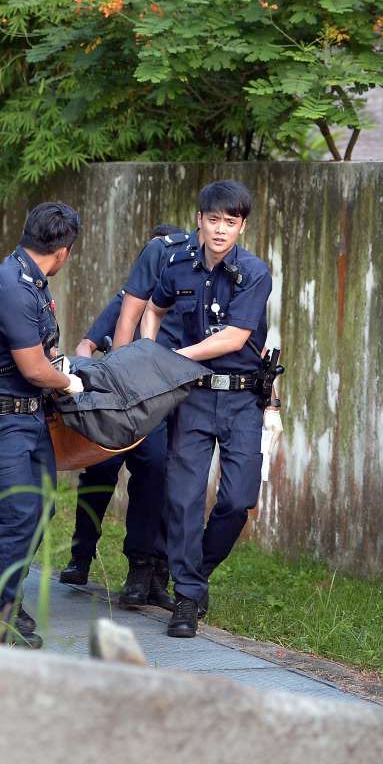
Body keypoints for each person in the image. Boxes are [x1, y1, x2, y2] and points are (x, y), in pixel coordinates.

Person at [142, 181, 273, 639]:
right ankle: (188, 596)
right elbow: (153, 309)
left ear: (242, 226)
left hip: (241, 399)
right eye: (213, 219)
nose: (221, 230)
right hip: (193, 397)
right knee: (182, 497)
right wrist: (149, 346)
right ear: (199, 219)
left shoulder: (255, 272)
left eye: (231, 222)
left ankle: (194, 569)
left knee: (238, 499)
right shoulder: (178, 265)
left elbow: (236, 337)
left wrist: (176, 356)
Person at [0, 202, 83, 648]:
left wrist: (60, 367)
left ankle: (5, 601)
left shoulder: (30, 279)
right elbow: (33, 368)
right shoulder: (14, 285)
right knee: (15, 514)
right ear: (65, 251)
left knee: (38, 509)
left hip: (27, 418)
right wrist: (70, 382)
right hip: (0, 422)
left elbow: (40, 354)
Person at [59, 223, 192, 610]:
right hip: (117, 407)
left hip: (158, 411)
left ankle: (140, 571)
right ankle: (80, 555)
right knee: (99, 473)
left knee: (153, 476)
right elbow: (87, 343)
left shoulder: (188, 306)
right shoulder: (126, 302)